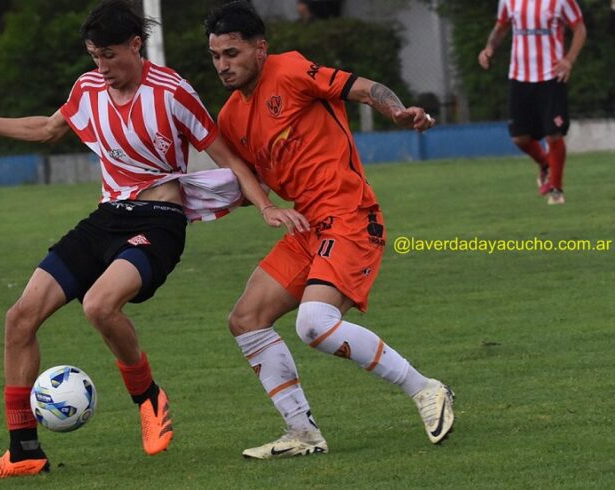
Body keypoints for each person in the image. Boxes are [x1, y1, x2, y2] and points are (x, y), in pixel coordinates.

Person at [0, 0, 306, 481]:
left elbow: (225, 154)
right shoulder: (88, 88)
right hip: (107, 218)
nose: (101, 67)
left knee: (99, 306)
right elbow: (47, 128)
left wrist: (268, 205)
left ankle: (148, 396)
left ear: (135, 44)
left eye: (109, 55)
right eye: (94, 56)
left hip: (160, 221)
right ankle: (23, 449)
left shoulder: (172, 91)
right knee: (19, 318)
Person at [204, 1, 454, 459]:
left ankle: (427, 389)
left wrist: (396, 111)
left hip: (351, 213)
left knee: (314, 325)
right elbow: (243, 179)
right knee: (245, 320)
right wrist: (254, 205)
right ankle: (302, 433)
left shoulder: (291, 69)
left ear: (260, 49)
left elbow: (362, 88)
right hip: (307, 224)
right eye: (216, 56)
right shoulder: (230, 119)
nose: (223, 65)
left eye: (232, 53)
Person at [478, 0, 586, 205]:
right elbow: (500, 28)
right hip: (519, 76)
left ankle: (556, 190)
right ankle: (546, 164)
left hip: (551, 75)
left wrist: (569, 59)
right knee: (519, 137)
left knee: (553, 133)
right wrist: (489, 49)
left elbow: (579, 28)